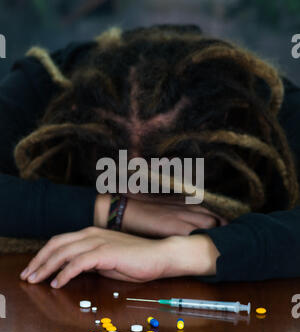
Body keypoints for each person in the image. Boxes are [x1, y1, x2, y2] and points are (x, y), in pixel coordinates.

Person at [0, 25, 299, 288]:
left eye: (167, 188)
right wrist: (117, 210)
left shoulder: (260, 107)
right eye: (116, 179)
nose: (142, 196)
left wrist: (182, 253)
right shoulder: (48, 82)